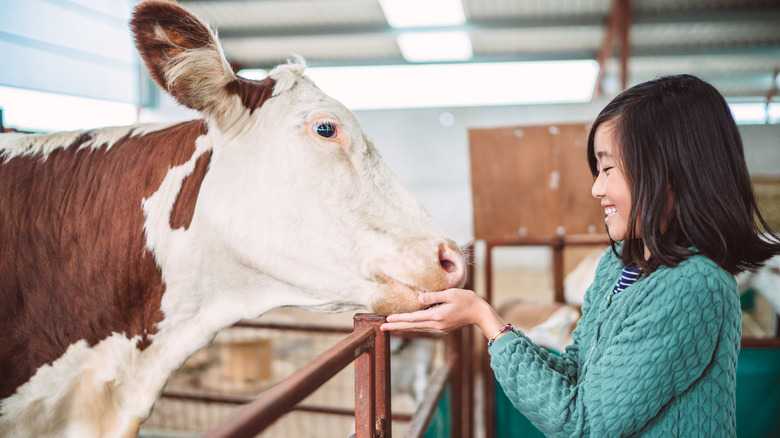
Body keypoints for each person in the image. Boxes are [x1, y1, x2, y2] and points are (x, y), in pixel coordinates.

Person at [381, 75, 780, 436]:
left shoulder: (693, 285)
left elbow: (584, 423)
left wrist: (486, 321)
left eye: (609, 170)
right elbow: (578, 369)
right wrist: (491, 324)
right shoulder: (622, 264)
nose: (596, 190)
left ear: (671, 174)